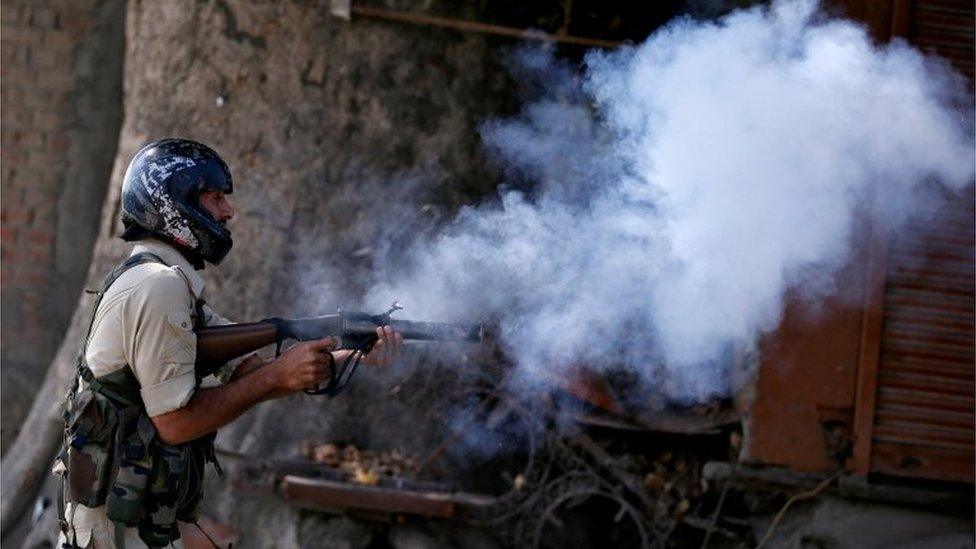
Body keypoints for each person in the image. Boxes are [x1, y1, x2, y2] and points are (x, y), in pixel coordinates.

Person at [55, 138, 401, 548]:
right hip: (117, 534)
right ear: (175, 203)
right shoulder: (157, 286)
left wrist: (352, 354)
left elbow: (246, 369)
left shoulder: (169, 282)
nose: (227, 211)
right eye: (215, 197)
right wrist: (279, 375)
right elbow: (175, 422)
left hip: (132, 523)